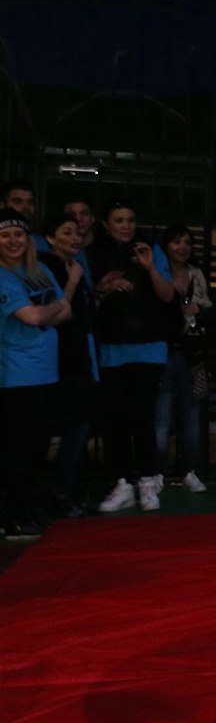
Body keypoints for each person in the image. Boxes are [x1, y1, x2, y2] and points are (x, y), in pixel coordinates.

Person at [89, 201, 176, 513]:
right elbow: (88, 302)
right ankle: (123, 483)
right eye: (118, 220)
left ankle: (148, 482)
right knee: (116, 418)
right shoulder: (95, 253)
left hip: (149, 345)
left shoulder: (149, 248)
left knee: (142, 415)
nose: (125, 225)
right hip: (112, 347)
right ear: (106, 224)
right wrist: (105, 287)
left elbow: (168, 295)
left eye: (130, 219)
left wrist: (150, 267)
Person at [0, 208, 75, 537]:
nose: (13, 241)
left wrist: (51, 310)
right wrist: (54, 308)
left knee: (37, 446)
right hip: (17, 376)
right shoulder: (3, 276)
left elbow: (67, 311)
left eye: (18, 234)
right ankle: (12, 515)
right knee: (19, 448)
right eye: (5, 235)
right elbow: (33, 317)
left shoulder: (39, 269)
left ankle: (23, 508)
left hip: (46, 372)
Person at [39, 213, 99, 517]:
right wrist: (73, 280)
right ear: (51, 238)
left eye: (77, 233)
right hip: (56, 359)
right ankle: (54, 496)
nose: (74, 238)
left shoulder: (76, 265)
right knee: (51, 431)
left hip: (79, 357)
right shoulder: (45, 266)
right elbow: (56, 311)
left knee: (80, 428)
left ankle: (69, 493)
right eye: (66, 232)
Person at [153, 224, 212, 491]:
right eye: (177, 241)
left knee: (191, 414)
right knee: (161, 416)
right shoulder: (157, 272)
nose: (183, 247)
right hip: (163, 350)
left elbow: (208, 310)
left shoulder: (196, 274)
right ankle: (157, 471)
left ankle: (189, 469)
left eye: (187, 242)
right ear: (166, 246)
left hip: (192, 353)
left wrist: (198, 310)